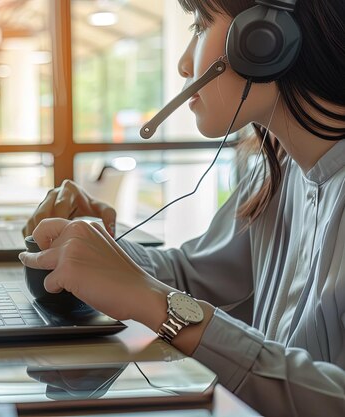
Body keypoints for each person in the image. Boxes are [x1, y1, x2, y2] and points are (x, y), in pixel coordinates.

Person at [18, 1, 345, 415]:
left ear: (265, 40)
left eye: (200, 24)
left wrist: (159, 305)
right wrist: (92, 245)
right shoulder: (280, 169)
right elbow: (194, 275)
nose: (183, 63)